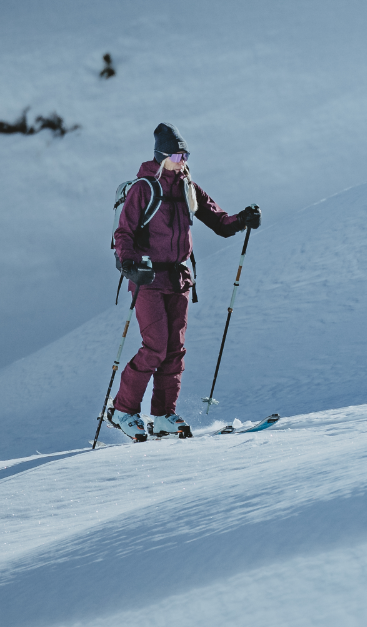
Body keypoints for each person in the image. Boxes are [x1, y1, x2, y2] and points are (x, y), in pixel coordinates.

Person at [108, 123, 260, 438]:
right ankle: (123, 410)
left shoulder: (187, 185)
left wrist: (242, 219)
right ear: (163, 156)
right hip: (147, 276)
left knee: (174, 350)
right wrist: (129, 264)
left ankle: (163, 414)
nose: (183, 160)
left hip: (178, 276)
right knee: (155, 346)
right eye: (178, 154)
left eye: (186, 154)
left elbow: (219, 221)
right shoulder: (144, 188)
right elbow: (123, 233)